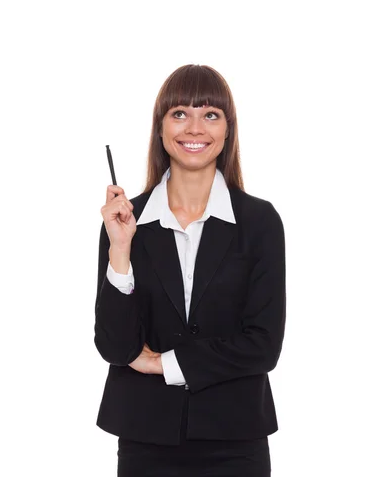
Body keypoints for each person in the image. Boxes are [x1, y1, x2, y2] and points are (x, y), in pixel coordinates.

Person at [94, 64, 286, 477]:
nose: (194, 128)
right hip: (146, 439)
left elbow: (264, 345)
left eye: (210, 114)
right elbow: (115, 347)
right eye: (179, 113)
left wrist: (166, 364)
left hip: (236, 440)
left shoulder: (259, 222)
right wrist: (121, 250)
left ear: (227, 130)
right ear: (160, 128)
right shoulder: (127, 221)